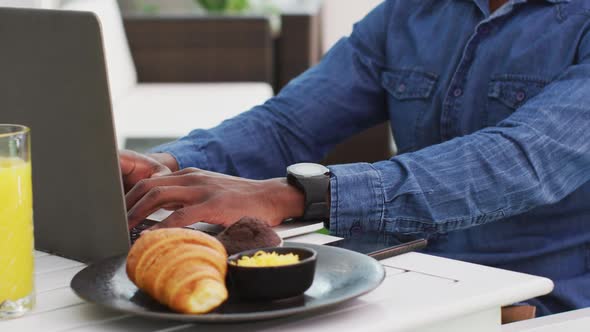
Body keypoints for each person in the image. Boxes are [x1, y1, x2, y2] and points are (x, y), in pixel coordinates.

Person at [120, 0, 590, 316]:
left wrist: (295, 194)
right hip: (395, 277)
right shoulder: (409, 12)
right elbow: (290, 123)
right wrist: (169, 165)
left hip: (534, 299)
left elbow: (522, 159)